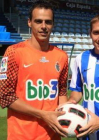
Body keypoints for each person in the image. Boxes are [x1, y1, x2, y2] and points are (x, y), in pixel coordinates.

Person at [0, 1, 68, 140]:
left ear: (53, 24)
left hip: (52, 135)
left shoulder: (62, 56)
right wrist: (42, 114)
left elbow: (61, 91)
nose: (43, 26)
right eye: (38, 21)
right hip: (21, 135)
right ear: (29, 22)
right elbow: (5, 96)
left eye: (48, 22)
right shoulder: (13, 52)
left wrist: (67, 114)